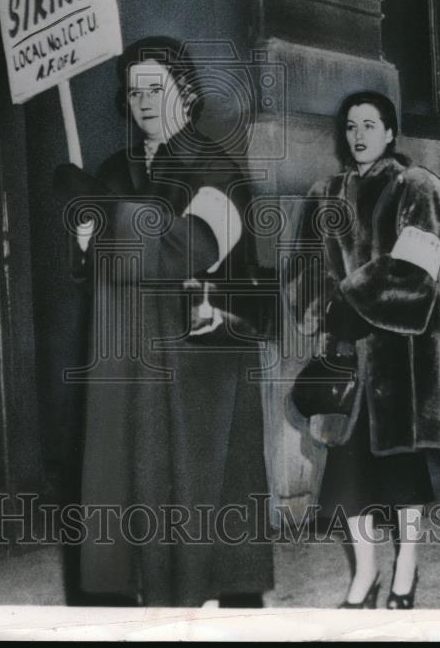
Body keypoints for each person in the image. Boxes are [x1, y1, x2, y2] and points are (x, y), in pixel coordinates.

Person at [66, 36, 274, 607]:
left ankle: (204, 604)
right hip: (132, 359)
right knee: (139, 485)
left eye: (155, 88)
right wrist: (84, 243)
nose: (143, 101)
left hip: (200, 359)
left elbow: (187, 250)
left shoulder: (215, 167)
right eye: (133, 91)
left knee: (198, 492)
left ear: (185, 91)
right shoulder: (116, 169)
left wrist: (106, 228)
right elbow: (93, 279)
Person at [285, 91, 440, 609]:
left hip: (399, 357)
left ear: (391, 131)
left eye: (371, 124)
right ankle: (366, 571)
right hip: (344, 354)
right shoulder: (324, 193)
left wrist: (349, 299)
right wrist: (321, 310)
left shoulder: (417, 187)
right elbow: (302, 265)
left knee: (402, 478)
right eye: (352, 125)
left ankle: (406, 569)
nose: (359, 135)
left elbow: (417, 270)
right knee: (346, 482)